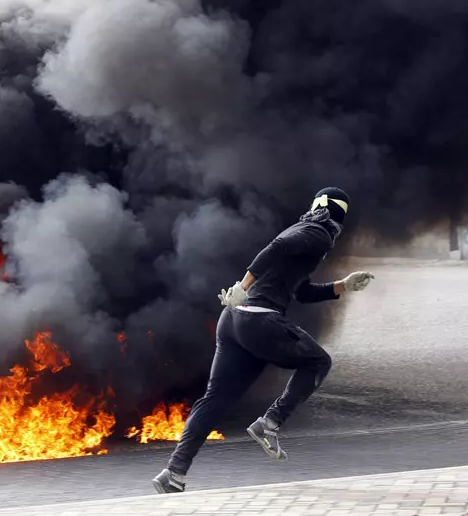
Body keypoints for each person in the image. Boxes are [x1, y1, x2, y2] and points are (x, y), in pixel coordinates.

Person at [152, 187, 374, 494]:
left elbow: (301, 291)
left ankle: (173, 472)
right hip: (258, 319)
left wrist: (343, 285)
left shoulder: (303, 228)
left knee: (213, 400)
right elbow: (277, 246)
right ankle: (270, 424)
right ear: (339, 218)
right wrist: (242, 285)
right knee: (319, 362)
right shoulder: (318, 234)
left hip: (233, 322)